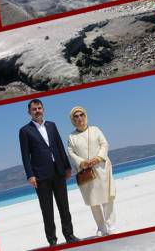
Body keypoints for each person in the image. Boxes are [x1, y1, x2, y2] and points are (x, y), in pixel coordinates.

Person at [19, 99, 80, 246]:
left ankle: (70, 236)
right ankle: (52, 241)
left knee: (64, 207)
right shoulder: (25, 131)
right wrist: (30, 175)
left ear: (43, 109)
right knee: (47, 211)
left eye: (39, 108)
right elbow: (25, 155)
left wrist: (67, 167)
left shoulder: (52, 125)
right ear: (29, 112)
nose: (37, 111)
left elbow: (59, 146)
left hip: (58, 171)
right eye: (34, 109)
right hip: (40, 176)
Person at [66, 106, 117, 236]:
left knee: (107, 198)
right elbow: (70, 152)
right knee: (93, 201)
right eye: (76, 116)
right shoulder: (72, 137)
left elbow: (104, 144)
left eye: (81, 115)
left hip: (101, 168)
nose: (79, 118)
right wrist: (82, 162)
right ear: (73, 119)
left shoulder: (95, 130)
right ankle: (101, 227)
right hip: (86, 172)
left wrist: (99, 157)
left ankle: (111, 225)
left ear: (85, 116)